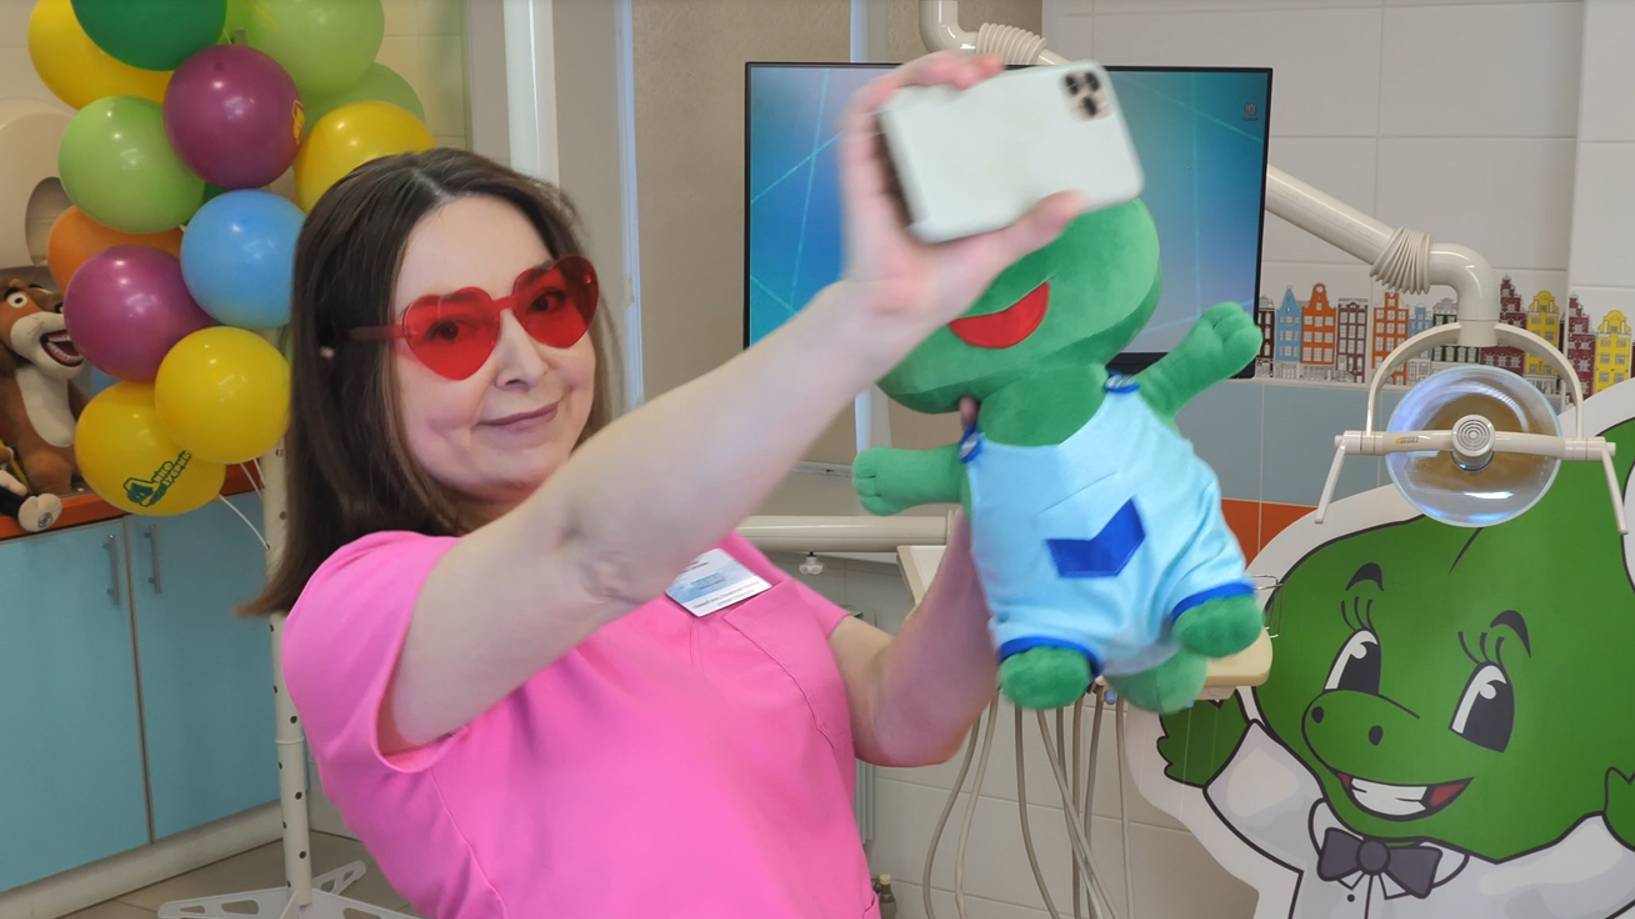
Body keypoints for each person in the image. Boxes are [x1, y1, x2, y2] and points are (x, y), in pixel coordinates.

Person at [250, 52, 1086, 918]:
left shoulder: (689, 547)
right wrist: (868, 311)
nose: (526, 362)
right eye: (452, 330)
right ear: (341, 365)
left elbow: (899, 712)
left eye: (546, 304)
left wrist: (1000, 488)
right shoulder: (355, 615)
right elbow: (587, 551)